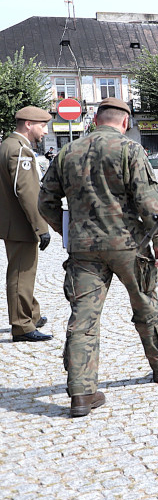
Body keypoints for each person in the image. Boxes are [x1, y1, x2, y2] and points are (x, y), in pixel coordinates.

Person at [38, 97, 158, 417]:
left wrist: (69, 230)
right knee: (146, 305)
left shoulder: (67, 152)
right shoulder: (130, 150)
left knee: (83, 319)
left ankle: (82, 394)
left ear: (95, 119)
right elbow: (148, 201)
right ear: (125, 122)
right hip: (128, 244)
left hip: (84, 249)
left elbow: (45, 202)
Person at [1, 106, 53, 343]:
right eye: (42, 126)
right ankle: (22, 326)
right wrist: (41, 227)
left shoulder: (7, 145)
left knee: (22, 271)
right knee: (21, 274)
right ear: (29, 124)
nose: (45, 131)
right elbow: (27, 191)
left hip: (12, 221)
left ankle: (31, 314)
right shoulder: (20, 150)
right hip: (21, 223)